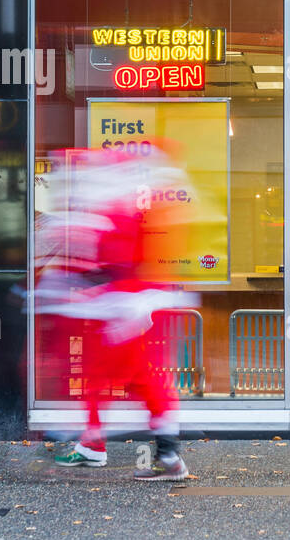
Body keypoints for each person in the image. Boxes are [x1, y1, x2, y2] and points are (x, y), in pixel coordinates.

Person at [36, 146, 197, 480]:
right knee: (133, 378)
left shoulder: (116, 212)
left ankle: (101, 442)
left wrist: (77, 286)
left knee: (113, 376)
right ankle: (157, 453)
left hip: (121, 312)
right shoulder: (131, 210)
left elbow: (113, 264)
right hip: (129, 309)